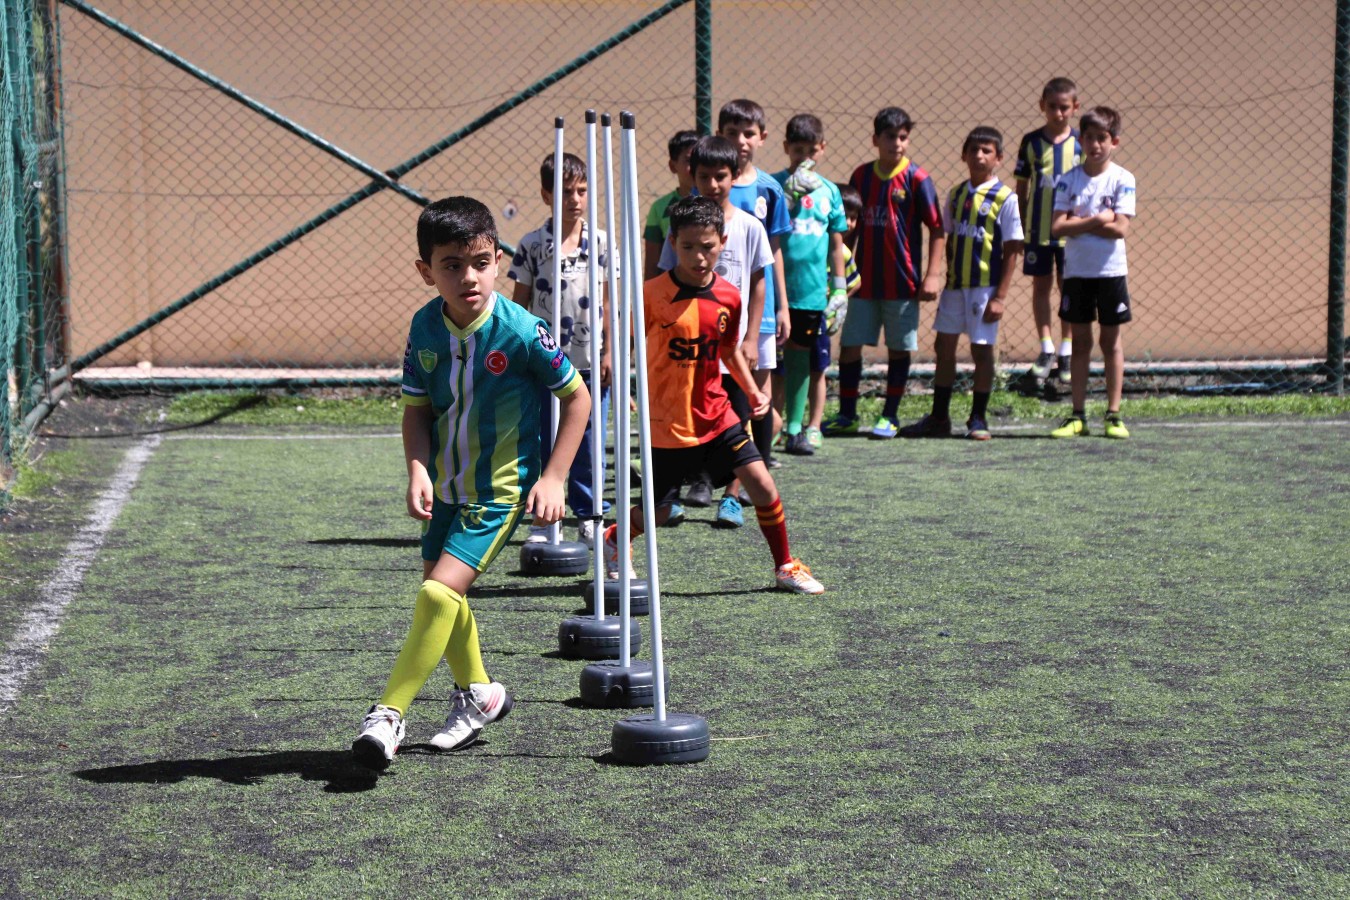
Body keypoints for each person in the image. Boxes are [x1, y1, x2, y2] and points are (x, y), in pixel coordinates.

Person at [352, 197, 591, 770]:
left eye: (481, 263)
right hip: (446, 489)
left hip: (500, 491)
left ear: (497, 262)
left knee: (437, 594)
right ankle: (479, 694)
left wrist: (554, 477)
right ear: (426, 271)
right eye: (452, 265)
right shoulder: (423, 328)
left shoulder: (523, 331)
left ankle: (389, 714)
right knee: (444, 598)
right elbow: (415, 410)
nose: (469, 277)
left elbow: (578, 398)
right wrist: (417, 468)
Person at [607, 196, 823, 594]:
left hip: (716, 414)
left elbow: (728, 350)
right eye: (687, 246)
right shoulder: (650, 295)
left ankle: (785, 566)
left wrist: (752, 391)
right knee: (660, 512)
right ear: (672, 242)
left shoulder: (729, 296)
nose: (698, 256)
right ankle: (616, 539)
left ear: (722, 242)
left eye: (707, 246)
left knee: (763, 485)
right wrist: (621, 381)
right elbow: (623, 342)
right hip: (666, 424)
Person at [657, 136, 773, 528]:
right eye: (703, 176)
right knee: (683, 421)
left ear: (734, 176)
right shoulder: (682, 225)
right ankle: (672, 495)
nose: (712, 184)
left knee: (738, 423)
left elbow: (759, 283)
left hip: (730, 347)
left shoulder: (749, 227)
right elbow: (665, 281)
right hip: (690, 352)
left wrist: (752, 338)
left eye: (720, 176)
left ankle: (732, 497)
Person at [507, 153, 614, 547]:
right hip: (545, 363)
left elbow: (609, 304)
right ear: (546, 195)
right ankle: (544, 518)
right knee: (543, 440)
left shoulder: (601, 243)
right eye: (566, 191)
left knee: (589, 443)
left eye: (582, 190)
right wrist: (519, 354)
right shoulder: (533, 245)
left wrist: (610, 353)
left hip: (589, 361)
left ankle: (589, 514)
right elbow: (519, 305)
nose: (575, 199)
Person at [826, 107, 944, 438]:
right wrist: (839, 272)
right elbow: (848, 227)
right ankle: (847, 415)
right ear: (875, 139)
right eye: (890, 137)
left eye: (903, 137)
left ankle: (890, 416)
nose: (897, 143)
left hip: (902, 283)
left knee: (898, 348)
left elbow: (937, 228)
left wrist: (932, 275)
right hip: (862, 282)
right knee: (850, 344)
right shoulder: (861, 176)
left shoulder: (918, 179)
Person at [900, 127, 1024, 440]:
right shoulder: (956, 195)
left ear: (999, 158)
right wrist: (940, 275)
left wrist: (1000, 297)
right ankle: (939, 418)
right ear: (964, 155)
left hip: (985, 288)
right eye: (974, 150)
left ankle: (978, 418)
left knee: (981, 350)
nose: (979, 156)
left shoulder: (1006, 198)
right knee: (943, 347)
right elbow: (947, 236)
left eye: (987, 151)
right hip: (955, 287)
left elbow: (1013, 249)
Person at [1049, 106, 1136, 439]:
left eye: (1102, 138)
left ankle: (1113, 415)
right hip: (1077, 273)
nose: (1095, 145)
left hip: (1111, 273)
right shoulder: (1068, 180)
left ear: (1114, 141)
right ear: (1080, 140)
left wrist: (1079, 222)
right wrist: (1098, 219)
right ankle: (1078, 416)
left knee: (1110, 342)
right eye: (1089, 138)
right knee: (1081, 342)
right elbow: (1057, 227)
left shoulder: (1123, 179)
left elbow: (1121, 229)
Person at [718, 99, 792, 473]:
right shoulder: (711, 185)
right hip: (716, 308)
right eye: (732, 133)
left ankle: (759, 466)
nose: (740, 141)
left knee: (759, 390)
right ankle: (715, 469)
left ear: (762, 138)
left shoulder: (770, 189)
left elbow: (773, 252)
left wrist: (783, 307)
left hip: (758, 310)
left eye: (748, 133)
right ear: (720, 135)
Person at [770, 113, 848, 456]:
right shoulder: (773, 185)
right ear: (786, 147)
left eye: (811, 151)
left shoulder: (830, 191)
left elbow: (836, 245)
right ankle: (766, 427)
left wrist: (840, 289)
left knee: (801, 358)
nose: (804, 157)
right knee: (768, 362)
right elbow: (763, 231)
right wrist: (786, 199)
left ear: (822, 148)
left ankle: (795, 429)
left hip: (810, 292)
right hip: (774, 293)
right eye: (797, 150)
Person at [1015, 77, 1082, 385]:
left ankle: (1067, 350)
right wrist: (1019, 229)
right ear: (1042, 106)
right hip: (1038, 233)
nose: (1058, 113)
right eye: (1052, 106)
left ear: (1075, 108)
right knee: (1041, 288)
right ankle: (1046, 348)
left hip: (1071, 234)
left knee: (1069, 290)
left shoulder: (1081, 143)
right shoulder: (1031, 142)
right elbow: (1022, 189)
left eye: (1064, 107)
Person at [643, 129, 700, 281]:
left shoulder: (718, 202)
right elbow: (652, 264)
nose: (695, 166)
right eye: (689, 160)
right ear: (673, 166)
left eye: (699, 160)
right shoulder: (659, 208)